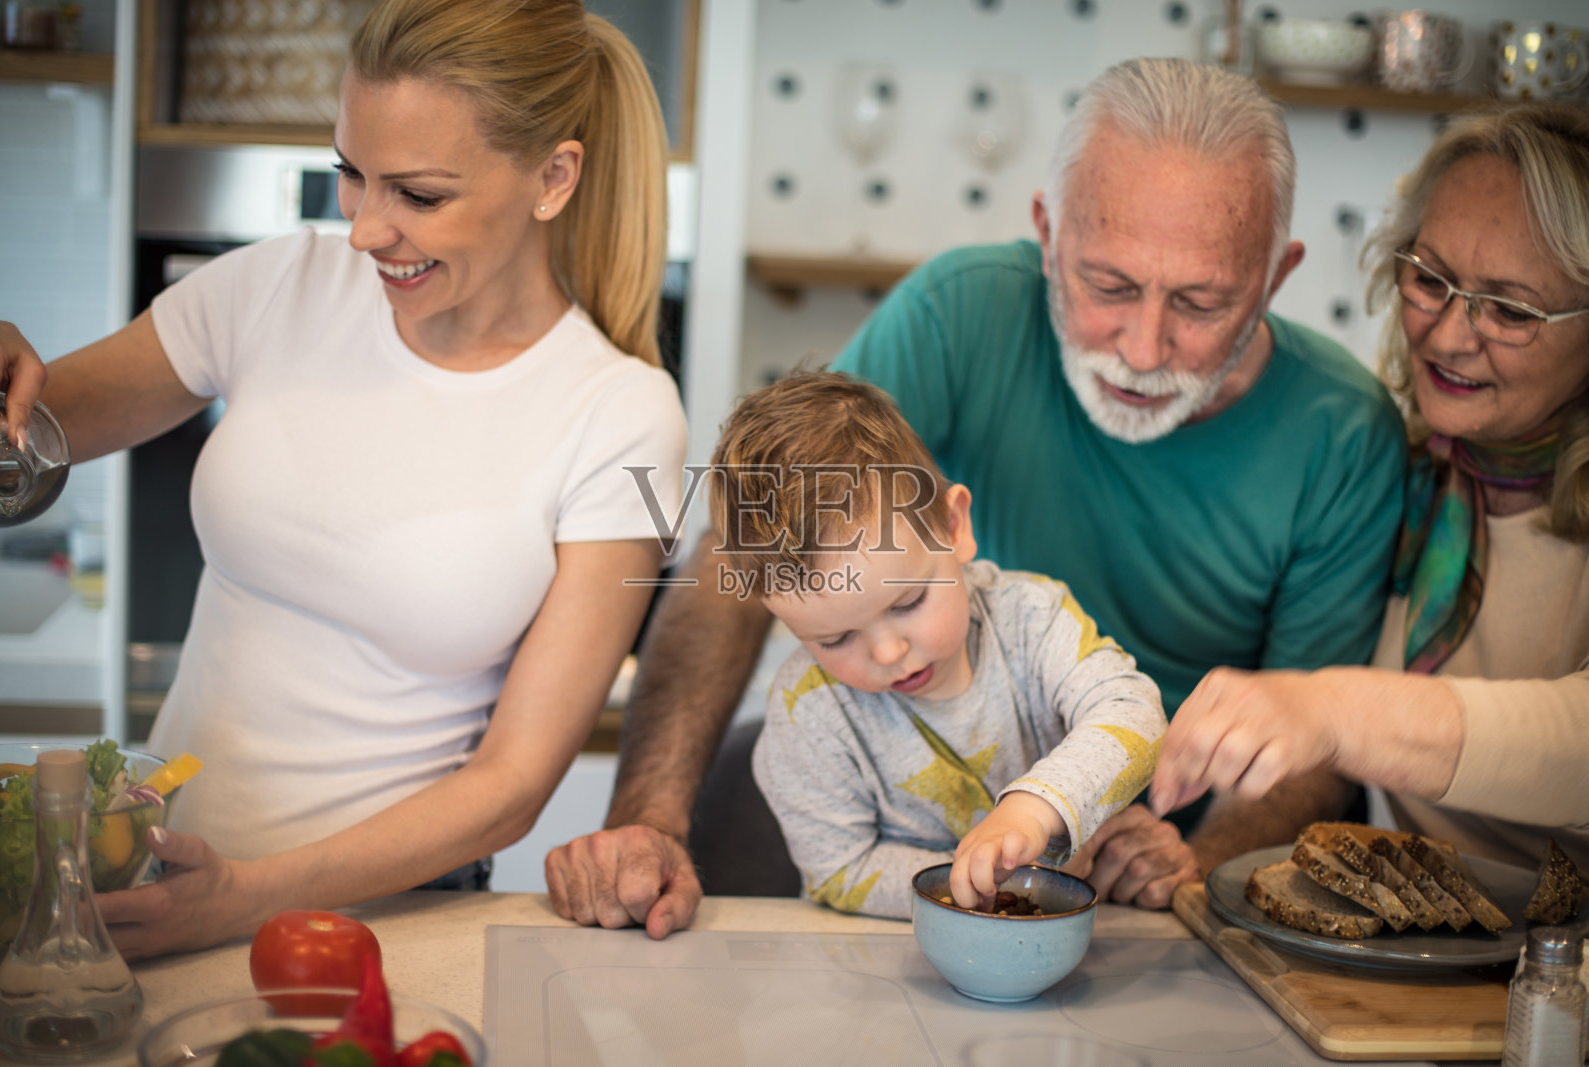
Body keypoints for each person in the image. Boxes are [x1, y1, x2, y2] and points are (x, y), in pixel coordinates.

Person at [544, 57, 1405, 936]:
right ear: (1045, 232)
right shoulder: (960, 313)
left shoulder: (1343, 432)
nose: (1144, 348)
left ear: (1276, 276)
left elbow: (1312, 752)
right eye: (1106, 286)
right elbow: (751, 543)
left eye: (1201, 302)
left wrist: (1193, 880)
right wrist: (649, 821)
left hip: (1164, 892)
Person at [0, 0, 686, 959]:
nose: (364, 232)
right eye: (351, 176)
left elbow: (514, 783)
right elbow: (31, 429)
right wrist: (0, 385)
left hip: (390, 927)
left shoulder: (619, 412)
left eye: (420, 195)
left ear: (552, 178)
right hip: (157, 891)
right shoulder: (280, 283)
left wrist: (243, 899)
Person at [1150, 101, 1589, 874]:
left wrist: (1335, 710)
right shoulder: (1398, 465)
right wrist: (1190, 859)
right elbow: (1317, 762)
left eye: (1512, 309)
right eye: (1431, 279)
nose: (1450, 335)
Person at [708, 372, 1166, 919]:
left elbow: (1135, 714)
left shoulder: (1032, 620)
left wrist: (1034, 810)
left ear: (953, 526)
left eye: (907, 603)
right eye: (834, 639)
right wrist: (980, 880)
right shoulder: (805, 710)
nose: (886, 653)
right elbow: (839, 870)